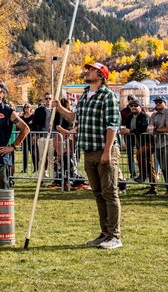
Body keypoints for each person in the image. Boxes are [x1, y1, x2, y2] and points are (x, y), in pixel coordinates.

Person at [51, 62, 122, 249]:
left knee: (109, 193)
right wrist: (60, 108)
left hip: (104, 150)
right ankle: (104, 233)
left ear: (100, 75)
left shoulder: (108, 96)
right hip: (88, 151)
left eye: (91, 70)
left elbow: (112, 126)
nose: (87, 72)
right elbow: (76, 118)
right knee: (98, 194)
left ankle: (115, 236)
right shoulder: (84, 95)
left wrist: (107, 151)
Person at [147, 98, 168, 194]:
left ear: (164, 103)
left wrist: (156, 130)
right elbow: (150, 128)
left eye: (160, 102)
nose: (158, 104)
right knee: (163, 168)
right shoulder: (154, 115)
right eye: (156, 102)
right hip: (158, 144)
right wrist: (151, 129)